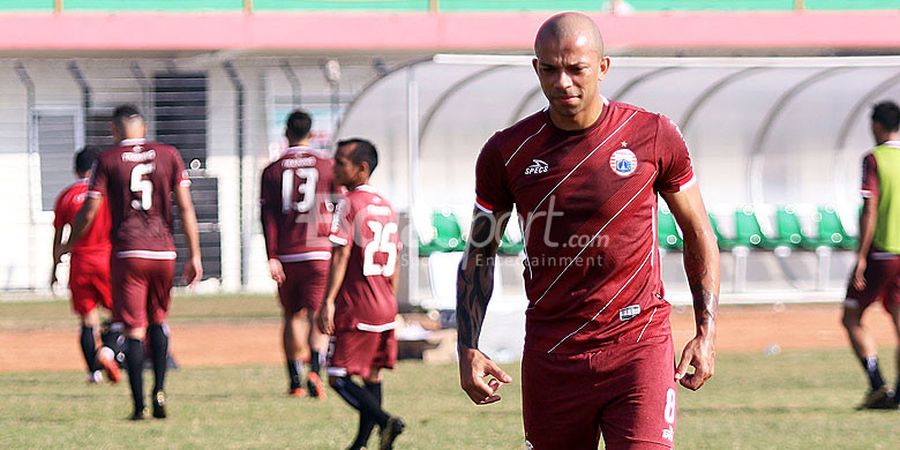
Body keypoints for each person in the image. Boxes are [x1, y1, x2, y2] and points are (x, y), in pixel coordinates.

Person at [456, 12, 720, 449]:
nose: (563, 82)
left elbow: (699, 235)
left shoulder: (652, 134)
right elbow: (480, 252)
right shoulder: (506, 151)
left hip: (639, 345)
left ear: (602, 67)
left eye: (576, 68)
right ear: (536, 68)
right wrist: (468, 345)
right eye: (549, 68)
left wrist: (706, 333)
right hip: (553, 353)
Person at [65, 104, 202, 420]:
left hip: (129, 252)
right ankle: (160, 393)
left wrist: (69, 244)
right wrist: (194, 254)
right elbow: (185, 207)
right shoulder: (168, 154)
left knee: (133, 327)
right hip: (163, 251)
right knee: (158, 320)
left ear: (114, 130)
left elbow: (90, 209)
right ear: (143, 128)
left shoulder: (108, 159)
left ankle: (139, 405)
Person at [316, 139, 405, 450]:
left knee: (337, 376)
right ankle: (362, 445)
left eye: (341, 162)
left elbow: (340, 255)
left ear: (361, 168)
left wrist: (327, 301)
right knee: (372, 375)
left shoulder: (349, 203)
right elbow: (394, 264)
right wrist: (392, 303)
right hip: (385, 304)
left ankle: (385, 422)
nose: (335, 167)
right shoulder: (387, 206)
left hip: (357, 305)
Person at [259, 110, 334, 398]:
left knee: (292, 316)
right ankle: (315, 370)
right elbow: (340, 206)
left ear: (286, 134)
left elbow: (267, 217)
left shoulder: (272, 170)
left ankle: (294, 380)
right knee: (318, 315)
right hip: (319, 251)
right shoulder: (327, 166)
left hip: (288, 253)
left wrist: (272, 255)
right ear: (311, 134)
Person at [842, 100, 900, 410]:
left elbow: (870, 208)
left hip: (883, 253)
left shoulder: (874, 159)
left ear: (877, 125)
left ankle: (878, 385)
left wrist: (861, 256)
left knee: (851, 317)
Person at [51, 146, 120, 384]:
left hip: (79, 262)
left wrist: (55, 267)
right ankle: (108, 352)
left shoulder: (65, 197)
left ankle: (93, 373)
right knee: (119, 314)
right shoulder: (107, 194)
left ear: (75, 170)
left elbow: (59, 237)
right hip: (106, 259)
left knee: (87, 320)